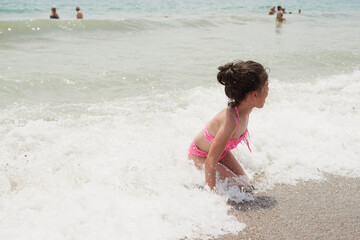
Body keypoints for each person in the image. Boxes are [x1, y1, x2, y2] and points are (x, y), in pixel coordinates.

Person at [188, 60, 269, 191]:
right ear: (254, 95)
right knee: (241, 187)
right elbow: (210, 162)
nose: (268, 90)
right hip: (200, 157)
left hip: (222, 154)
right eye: (266, 86)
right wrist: (211, 195)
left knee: (248, 185)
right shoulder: (230, 121)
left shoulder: (246, 112)